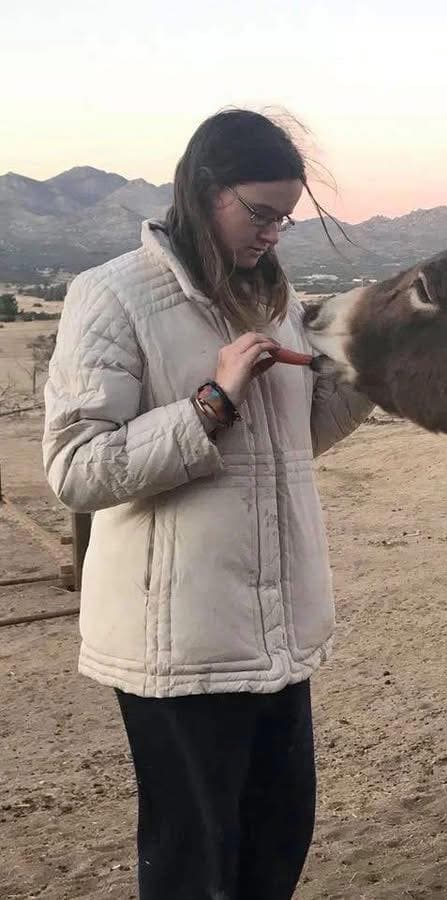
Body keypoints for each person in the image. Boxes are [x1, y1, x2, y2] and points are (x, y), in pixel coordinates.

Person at [41, 108, 375, 899]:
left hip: (277, 634)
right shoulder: (111, 296)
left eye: (284, 219)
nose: (272, 235)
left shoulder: (275, 302)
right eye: (259, 214)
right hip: (178, 646)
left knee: (274, 850)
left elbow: (294, 443)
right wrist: (208, 405)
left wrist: (370, 375)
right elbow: (75, 467)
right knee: (194, 866)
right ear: (201, 189)